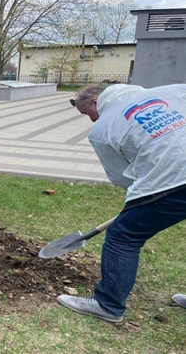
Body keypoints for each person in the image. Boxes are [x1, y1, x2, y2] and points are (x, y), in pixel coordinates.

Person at [58, 83, 186, 323]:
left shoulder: (103, 129)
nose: (92, 121)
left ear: (94, 101)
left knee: (123, 237)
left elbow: (122, 177)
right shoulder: (174, 90)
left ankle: (108, 305)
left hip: (173, 179)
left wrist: (145, 200)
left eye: (87, 114)